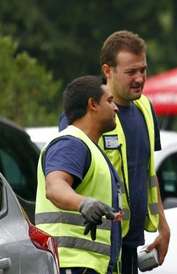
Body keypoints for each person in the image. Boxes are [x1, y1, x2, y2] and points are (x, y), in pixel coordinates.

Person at [35, 75, 122, 274]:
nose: (116, 108)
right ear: (92, 104)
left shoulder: (89, 146)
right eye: (109, 101)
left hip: (86, 264)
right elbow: (55, 186)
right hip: (72, 264)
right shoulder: (71, 143)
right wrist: (83, 203)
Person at [99, 30, 170, 273]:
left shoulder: (146, 108)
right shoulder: (88, 110)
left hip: (131, 241)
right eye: (131, 72)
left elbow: (149, 174)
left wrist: (163, 226)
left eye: (143, 70)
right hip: (98, 246)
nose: (139, 78)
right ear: (108, 71)